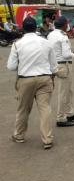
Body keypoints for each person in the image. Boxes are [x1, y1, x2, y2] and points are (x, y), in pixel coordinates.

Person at [7, 17, 57, 149]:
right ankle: (47, 139)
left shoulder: (17, 44)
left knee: (23, 109)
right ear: (36, 28)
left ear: (23, 28)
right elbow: (53, 66)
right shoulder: (46, 42)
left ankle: (19, 136)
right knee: (45, 108)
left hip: (26, 80)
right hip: (45, 78)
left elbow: (11, 66)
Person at [47, 16, 74, 127]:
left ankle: (69, 113)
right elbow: (66, 55)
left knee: (68, 91)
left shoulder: (50, 35)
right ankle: (61, 118)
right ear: (63, 25)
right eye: (67, 23)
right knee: (64, 93)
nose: (68, 25)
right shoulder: (63, 36)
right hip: (63, 65)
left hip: (55, 64)